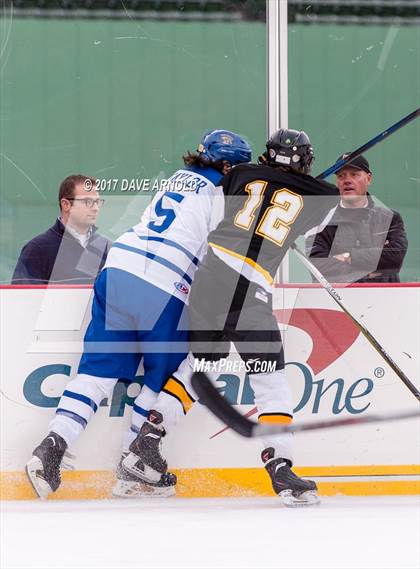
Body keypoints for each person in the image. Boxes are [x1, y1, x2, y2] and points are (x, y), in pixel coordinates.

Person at [25, 130, 252, 499]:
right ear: (227, 165)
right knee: (171, 377)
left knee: (96, 371)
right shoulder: (222, 195)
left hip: (118, 269)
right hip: (164, 283)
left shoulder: (175, 181)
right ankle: (136, 467)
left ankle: (52, 446)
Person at [122, 129, 339, 507]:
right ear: (304, 161)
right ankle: (280, 464)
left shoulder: (239, 176)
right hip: (249, 286)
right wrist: (303, 186)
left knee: (201, 364)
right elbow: (312, 221)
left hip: (211, 276)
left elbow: (235, 211)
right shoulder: (322, 196)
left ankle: (146, 442)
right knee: (270, 379)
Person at [305, 154, 408, 283]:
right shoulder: (321, 221)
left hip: (385, 299)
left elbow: (395, 258)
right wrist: (372, 266)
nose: (347, 180)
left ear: (368, 179)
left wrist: (348, 256)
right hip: (338, 300)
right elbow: (317, 267)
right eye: (341, 175)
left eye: (354, 174)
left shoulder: (390, 218)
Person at [12, 175, 110, 284]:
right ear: (66, 204)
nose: (95, 208)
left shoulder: (106, 247)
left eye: (97, 202)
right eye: (88, 202)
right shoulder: (38, 249)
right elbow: (22, 298)